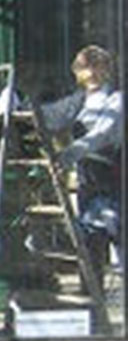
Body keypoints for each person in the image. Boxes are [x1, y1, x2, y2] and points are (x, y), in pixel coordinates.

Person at [41, 45, 123, 290]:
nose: (90, 76)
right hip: (88, 180)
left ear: (106, 70)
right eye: (84, 70)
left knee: (115, 237)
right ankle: (92, 302)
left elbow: (100, 135)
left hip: (112, 179)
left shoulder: (116, 100)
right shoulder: (78, 101)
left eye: (95, 69)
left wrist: (64, 157)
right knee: (90, 241)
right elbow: (49, 115)